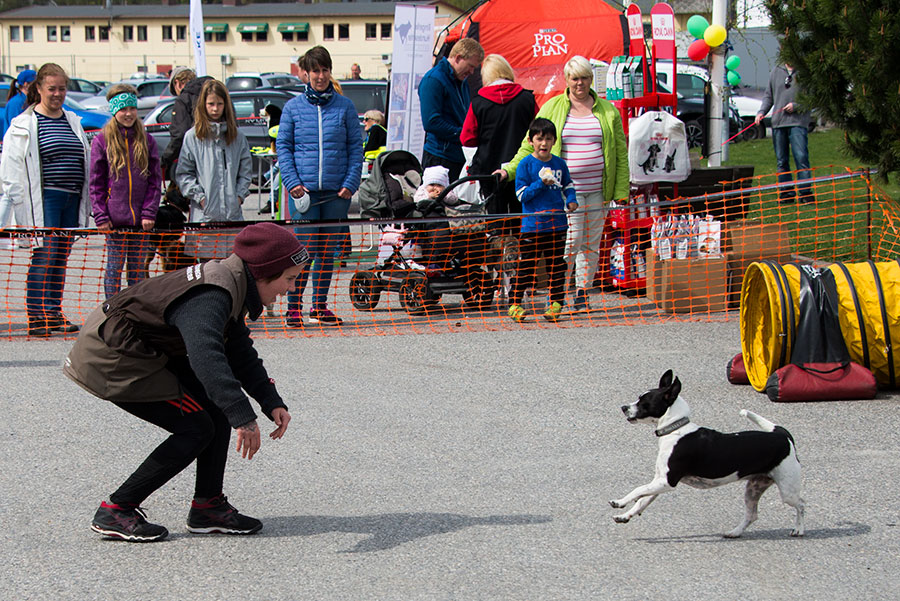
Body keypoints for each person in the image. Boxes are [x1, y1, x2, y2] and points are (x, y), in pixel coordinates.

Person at [64, 222, 308, 542]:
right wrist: (243, 418)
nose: (290, 288)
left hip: (145, 346)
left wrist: (270, 400)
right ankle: (117, 508)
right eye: (289, 278)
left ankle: (208, 507)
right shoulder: (213, 293)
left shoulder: (233, 282)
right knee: (196, 427)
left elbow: (238, 349)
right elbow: (207, 358)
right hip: (114, 354)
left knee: (214, 411)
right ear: (263, 272)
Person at [503, 55, 629, 312]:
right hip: (561, 191)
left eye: (584, 77)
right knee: (570, 242)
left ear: (591, 79)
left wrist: (621, 190)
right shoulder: (553, 106)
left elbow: (620, 152)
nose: (579, 83)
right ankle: (559, 292)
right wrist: (509, 170)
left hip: (598, 188)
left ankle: (582, 291)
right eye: (574, 78)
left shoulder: (608, 110)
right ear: (567, 80)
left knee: (591, 243)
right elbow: (530, 145)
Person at [0, 63, 91, 337]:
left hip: (72, 197)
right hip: (44, 198)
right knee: (45, 253)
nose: (57, 94)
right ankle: (37, 315)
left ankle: (53, 311)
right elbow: (11, 169)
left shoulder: (73, 120)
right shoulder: (23, 124)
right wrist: (15, 204)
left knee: (61, 256)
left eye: (62, 89)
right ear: (38, 89)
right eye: (51, 88)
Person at [276, 45, 362, 328]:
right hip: (305, 194)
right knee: (303, 252)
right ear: (306, 73)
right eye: (315, 70)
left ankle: (320, 306)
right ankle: (293, 308)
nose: (320, 76)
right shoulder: (292, 108)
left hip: (336, 193)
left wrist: (351, 183)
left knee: (328, 252)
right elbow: (284, 149)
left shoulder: (345, 107)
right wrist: (293, 183)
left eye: (325, 70)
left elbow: (355, 148)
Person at [89, 84, 163, 299]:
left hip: (141, 221)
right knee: (114, 268)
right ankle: (112, 310)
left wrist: (149, 212)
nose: (128, 114)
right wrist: (101, 215)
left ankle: (137, 309)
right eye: (123, 109)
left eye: (132, 108)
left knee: (138, 270)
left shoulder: (147, 140)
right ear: (114, 111)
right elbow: (96, 183)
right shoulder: (102, 140)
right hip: (114, 220)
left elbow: (155, 181)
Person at [508, 118, 577, 323]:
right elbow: (522, 195)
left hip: (557, 225)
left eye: (548, 139)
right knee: (527, 267)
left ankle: (556, 303)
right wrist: (541, 183)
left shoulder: (560, 163)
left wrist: (572, 200)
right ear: (531, 141)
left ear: (554, 141)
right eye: (540, 139)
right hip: (532, 227)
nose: (544, 143)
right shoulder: (525, 165)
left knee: (556, 266)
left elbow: (568, 185)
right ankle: (514, 303)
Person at [460, 53, 537, 234]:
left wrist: (474, 163)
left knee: (495, 225)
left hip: (490, 172)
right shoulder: (527, 98)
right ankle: (520, 259)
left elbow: (467, 138)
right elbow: (537, 133)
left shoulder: (478, 103)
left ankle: (497, 260)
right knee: (522, 221)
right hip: (522, 169)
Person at [176, 80, 252, 224]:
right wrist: (201, 198)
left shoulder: (238, 137)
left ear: (226, 105)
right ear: (203, 105)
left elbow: (246, 171)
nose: (215, 109)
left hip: (233, 217)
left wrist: (238, 197)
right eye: (211, 104)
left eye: (219, 104)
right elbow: (184, 173)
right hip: (204, 217)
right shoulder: (193, 137)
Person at [418, 38, 484, 179]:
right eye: (470, 66)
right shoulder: (433, 80)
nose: (472, 72)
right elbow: (431, 123)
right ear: (458, 58)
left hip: (458, 156)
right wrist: (463, 134)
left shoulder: (462, 81)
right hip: (440, 158)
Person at [755, 62, 813, 203]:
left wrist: (797, 106)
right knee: (782, 161)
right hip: (779, 123)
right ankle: (786, 193)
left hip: (798, 123)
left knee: (801, 157)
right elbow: (769, 96)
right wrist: (761, 112)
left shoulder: (805, 72)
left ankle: (805, 193)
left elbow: (812, 98)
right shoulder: (776, 71)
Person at [161, 67, 212, 182]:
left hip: (194, 161)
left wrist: (165, 159)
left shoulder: (184, 99)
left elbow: (179, 134)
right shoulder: (214, 92)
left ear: (177, 83)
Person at [0, 69, 36, 138]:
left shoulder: (29, 101)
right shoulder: (16, 103)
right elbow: (15, 130)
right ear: (26, 84)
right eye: (35, 84)